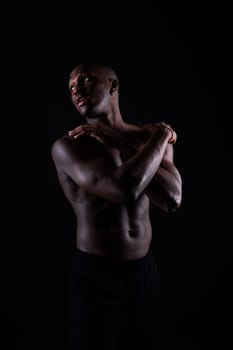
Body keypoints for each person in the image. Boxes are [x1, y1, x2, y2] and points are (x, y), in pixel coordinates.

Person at [51, 63, 182, 350]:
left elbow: (171, 199)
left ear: (112, 86)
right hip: (96, 278)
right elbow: (124, 189)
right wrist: (161, 135)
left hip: (144, 274)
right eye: (71, 88)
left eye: (85, 81)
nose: (76, 91)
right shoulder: (69, 146)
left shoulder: (147, 139)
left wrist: (122, 141)